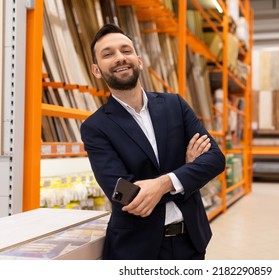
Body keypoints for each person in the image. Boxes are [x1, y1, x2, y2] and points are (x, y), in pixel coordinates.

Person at [80, 23, 226, 260]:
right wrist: (187, 173)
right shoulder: (95, 127)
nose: (120, 58)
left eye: (126, 51)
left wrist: (162, 184)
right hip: (137, 251)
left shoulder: (175, 105)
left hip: (191, 243)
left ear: (138, 59)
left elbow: (215, 159)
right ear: (96, 70)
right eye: (108, 54)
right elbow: (124, 195)